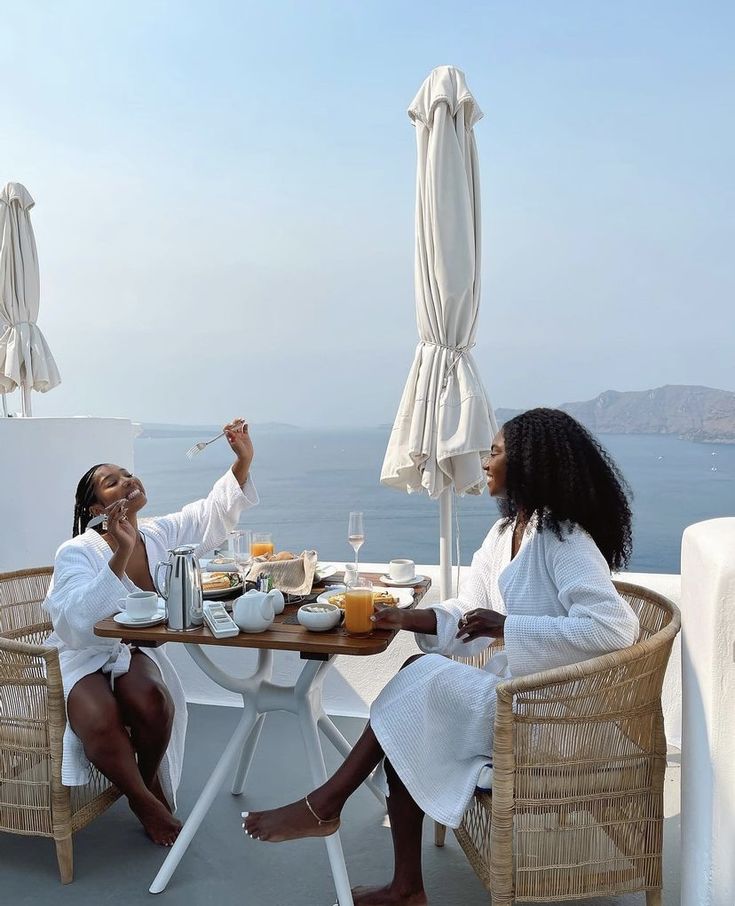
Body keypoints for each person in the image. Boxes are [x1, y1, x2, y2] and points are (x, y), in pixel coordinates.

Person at [242, 408, 640, 906]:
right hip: (512, 695)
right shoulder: (503, 536)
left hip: (550, 712)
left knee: (417, 682)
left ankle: (336, 812)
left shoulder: (563, 540)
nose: (485, 461)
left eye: (494, 452)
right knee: (412, 708)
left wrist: (509, 626)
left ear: (531, 463)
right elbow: (468, 611)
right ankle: (389, 869)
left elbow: (614, 628)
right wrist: (406, 618)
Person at [44, 418, 257, 846]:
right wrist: (119, 553)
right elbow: (74, 621)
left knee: (153, 700)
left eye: (127, 474)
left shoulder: (157, 533)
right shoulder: (77, 551)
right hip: (82, 653)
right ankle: (146, 800)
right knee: (98, 716)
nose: (126, 481)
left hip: (130, 652)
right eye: (111, 482)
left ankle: (140, 782)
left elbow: (208, 515)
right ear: (94, 510)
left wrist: (242, 460)